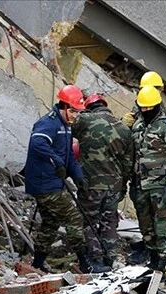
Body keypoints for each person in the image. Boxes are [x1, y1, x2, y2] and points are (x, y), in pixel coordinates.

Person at [24, 85, 102, 274]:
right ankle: (85, 263)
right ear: (64, 107)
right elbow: (37, 143)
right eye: (74, 111)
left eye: (78, 112)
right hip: (43, 184)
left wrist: (78, 177)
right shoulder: (49, 124)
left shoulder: (65, 127)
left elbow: (68, 157)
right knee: (73, 218)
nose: (76, 115)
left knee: (51, 222)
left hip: (52, 182)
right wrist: (56, 161)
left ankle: (37, 263)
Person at [73, 93, 134, 271]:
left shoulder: (84, 120)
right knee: (109, 222)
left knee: (88, 221)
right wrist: (123, 188)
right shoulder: (124, 129)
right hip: (114, 185)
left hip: (91, 184)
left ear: (89, 107)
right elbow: (128, 164)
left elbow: (64, 130)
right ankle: (112, 257)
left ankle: (96, 260)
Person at [130, 85, 166, 272]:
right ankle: (151, 261)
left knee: (162, 227)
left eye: (148, 108)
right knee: (145, 225)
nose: (145, 111)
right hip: (140, 185)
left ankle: (160, 269)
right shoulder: (137, 125)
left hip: (160, 185)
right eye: (142, 108)